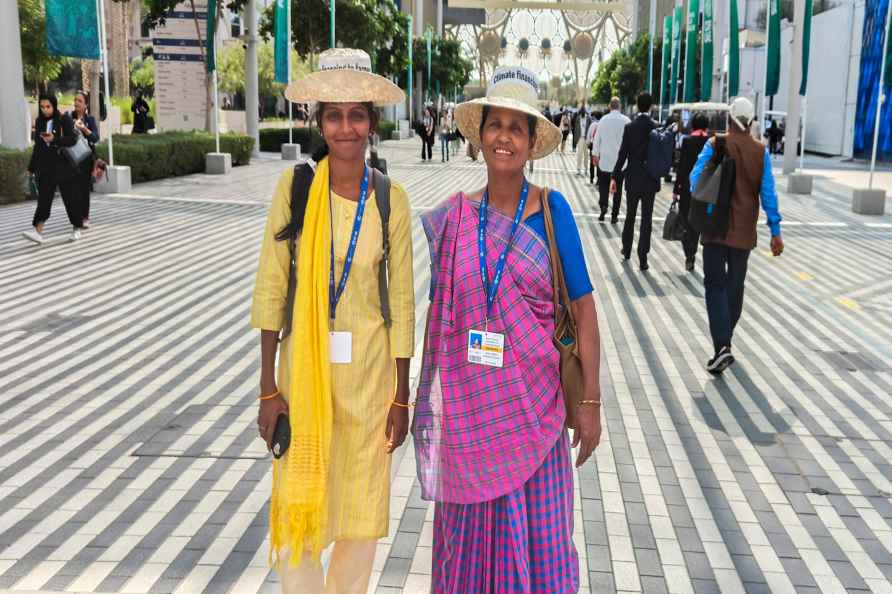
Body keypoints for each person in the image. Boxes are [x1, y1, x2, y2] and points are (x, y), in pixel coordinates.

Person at [415, 65, 603, 593]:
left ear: (530, 141)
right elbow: (440, 319)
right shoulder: (456, 218)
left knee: (542, 546)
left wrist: (590, 404)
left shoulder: (551, 210)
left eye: (516, 128)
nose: (504, 138)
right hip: (469, 425)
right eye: (495, 125)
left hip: (535, 416)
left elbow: (585, 311)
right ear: (480, 136)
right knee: (467, 555)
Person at [251, 48, 416, 594]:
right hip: (303, 379)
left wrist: (401, 394)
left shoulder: (392, 200)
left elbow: (402, 298)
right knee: (301, 511)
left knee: (360, 516)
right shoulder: (295, 190)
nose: (346, 128)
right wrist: (267, 388)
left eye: (357, 114)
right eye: (334, 115)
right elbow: (272, 290)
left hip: (369, 383)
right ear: (319, 121)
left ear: (372, 121)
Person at [689, 97, 784, 374]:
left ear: (729, 119)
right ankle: (724, 341)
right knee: (735, 286)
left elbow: (696, 179)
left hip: (715, 227)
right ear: (752, 121)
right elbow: (768, 194)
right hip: (744, 232)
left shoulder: (715, 143)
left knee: (715, 285)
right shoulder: (761, 152)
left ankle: (722, 345)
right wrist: (775, 231)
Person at [23, 94, 84, 244]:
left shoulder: (64, 119)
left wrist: (54, 140)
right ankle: (38, 232)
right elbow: (37, 147)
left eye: (48, 106)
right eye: (42, 107)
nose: (45, 110)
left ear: (54, 105)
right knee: (44, 199)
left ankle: (77, 228)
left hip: (63, 166)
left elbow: (72, 139)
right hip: (46, 167)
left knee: (70, 198)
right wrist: (31, 168)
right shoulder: (39, 122)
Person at [613, 93, 659, 271]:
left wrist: (615, 176)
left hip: (632, 177)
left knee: (630, 215)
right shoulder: (655, 127)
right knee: (646, 219)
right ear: (650, 107)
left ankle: (626, 249)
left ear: (637, 105)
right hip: (650, 179)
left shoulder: (630, 127)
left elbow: (622, 154)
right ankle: (643, 257)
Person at [673, 112, 710, 271]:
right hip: (706, 189)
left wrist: (676, 189)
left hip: (688, 189)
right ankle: (693, 251)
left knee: (685, 220)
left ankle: (690, 253)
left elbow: (682, 168)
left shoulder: (687, 141)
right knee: (697, 221)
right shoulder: (711, 142)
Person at [593, 97, 630, 224]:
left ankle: (603, 205)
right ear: (619, 107)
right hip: (620, 163)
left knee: (603, 186)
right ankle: (614, 214)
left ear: (610, 106)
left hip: (605, 160)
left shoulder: (603, 120)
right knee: (618, 189)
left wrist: (595, 154)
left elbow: (597, 140)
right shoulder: (626, 121)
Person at [69, 91, 100, 229]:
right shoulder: (69, 118)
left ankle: (85, 217)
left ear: (85, 104)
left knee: (84, 189)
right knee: (73, 189)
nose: (76, 103)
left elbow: (95, 138)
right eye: (75, 100)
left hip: (87, 158)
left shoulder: (90, 120)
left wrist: (84, 129)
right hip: (72, 158)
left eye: (80, 101)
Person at [584, 111, 601, 185]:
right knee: (599, 163)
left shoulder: (593, 124)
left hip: (593, 145)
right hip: (601, 146)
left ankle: (591, 178)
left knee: (592, 162)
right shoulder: (602, 124)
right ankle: (598, 179)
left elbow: (589, 135)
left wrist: (587, 143)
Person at [575, 107, 591, 175]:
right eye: (582, 111)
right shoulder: (578, 118)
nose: (583, 113)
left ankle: (586, 169)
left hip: (586, 138)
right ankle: (578, 169)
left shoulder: (588, 118)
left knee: (586, 155)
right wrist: (575, 140)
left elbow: (590, 128)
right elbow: (576, 129)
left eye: (583, 111)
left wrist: (589, 139)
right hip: (580, 138)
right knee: (579, 154)